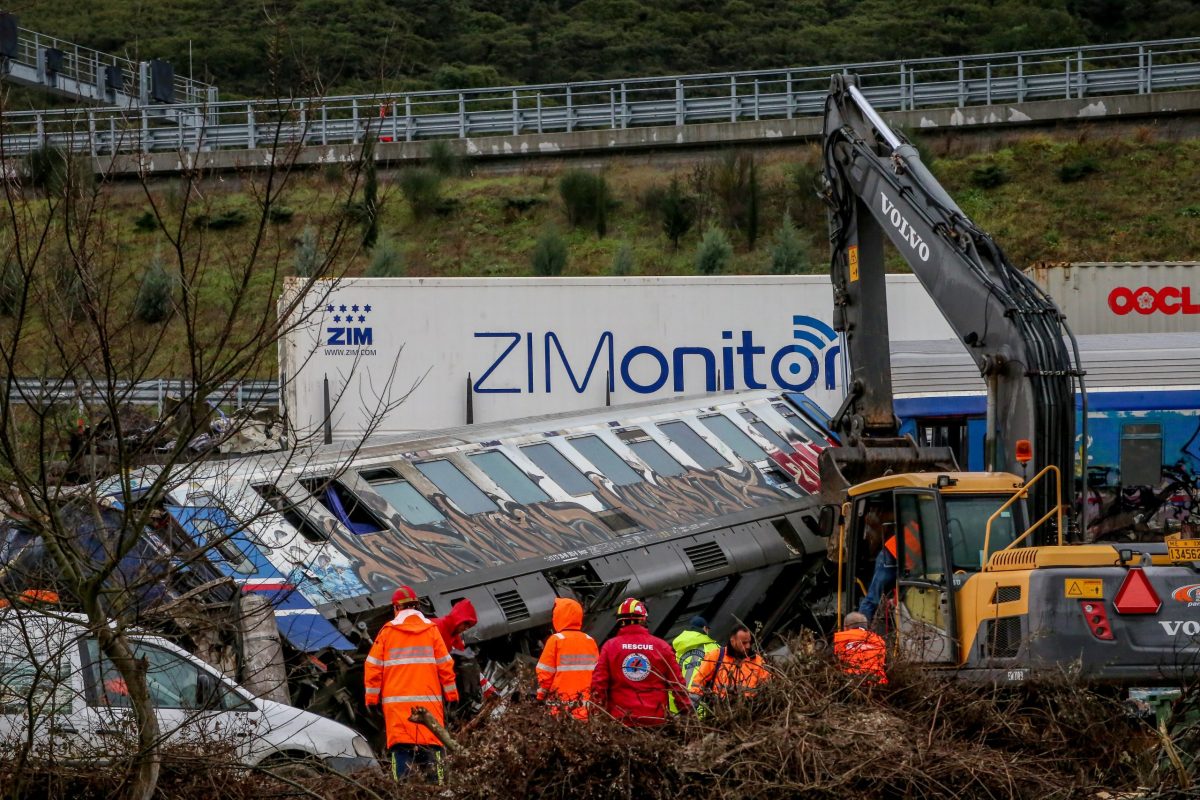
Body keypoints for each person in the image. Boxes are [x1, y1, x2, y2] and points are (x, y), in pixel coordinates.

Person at [364, 586, 459, 784]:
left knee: (401, 756)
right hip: (428, 711)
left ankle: (402, 791)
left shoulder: (387, 633)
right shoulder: (431, 631)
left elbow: (372, 667)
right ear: (417, 606)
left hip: (398, 712)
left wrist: (371, 699)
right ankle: (438, 791)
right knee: (434, 757)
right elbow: (446, 665)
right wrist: (452, 695)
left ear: (396, 608)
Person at [590, 598, 692, 726]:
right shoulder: (661, 647)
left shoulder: (610, 647)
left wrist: (596, 715)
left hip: (621, 722)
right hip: (655, 722)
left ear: (619, 621)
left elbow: (599, 685)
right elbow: (677, 685)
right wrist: (687, 713)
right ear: (643, 619)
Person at [432, 598, 498, 719]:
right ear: (458, 619)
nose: (466, 628)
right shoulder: (436, 628)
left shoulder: (455, 638)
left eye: (469, 625)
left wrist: (488, 689)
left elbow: (469, 666)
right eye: (465, 623)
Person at [535, 597, 599, 719]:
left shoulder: (556, 640)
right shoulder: (589, 641)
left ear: (558, 616)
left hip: (560, 710)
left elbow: (545, 675)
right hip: (584, 709)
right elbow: (597, 675)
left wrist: (540, 697)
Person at [688, 625, 769, 709]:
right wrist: (691, 707)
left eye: (749, 642)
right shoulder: (716, 656)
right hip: (720, 713)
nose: (748, 646)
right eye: (744, 643)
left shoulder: (758, 661)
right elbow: (699, 682)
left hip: (750, 713)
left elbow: (768, 686)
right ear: (732, 641)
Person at [859, 513, 921, 623]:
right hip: (890, 554)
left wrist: (895, 599)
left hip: (903, 560)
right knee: (873, 597)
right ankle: (860, 631)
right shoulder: (932, 528)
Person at [670, 616, 718, 713]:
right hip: (702, 704)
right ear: (704, 628)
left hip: (679, 704)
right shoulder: (715, 649)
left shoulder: (677, 650)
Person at [833, 611, 888, 683]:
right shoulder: (880, 641)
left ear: (845, 627)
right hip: (877, 683)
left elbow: (832, 664)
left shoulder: (840, 639)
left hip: (850, 683)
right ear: (866, 626)